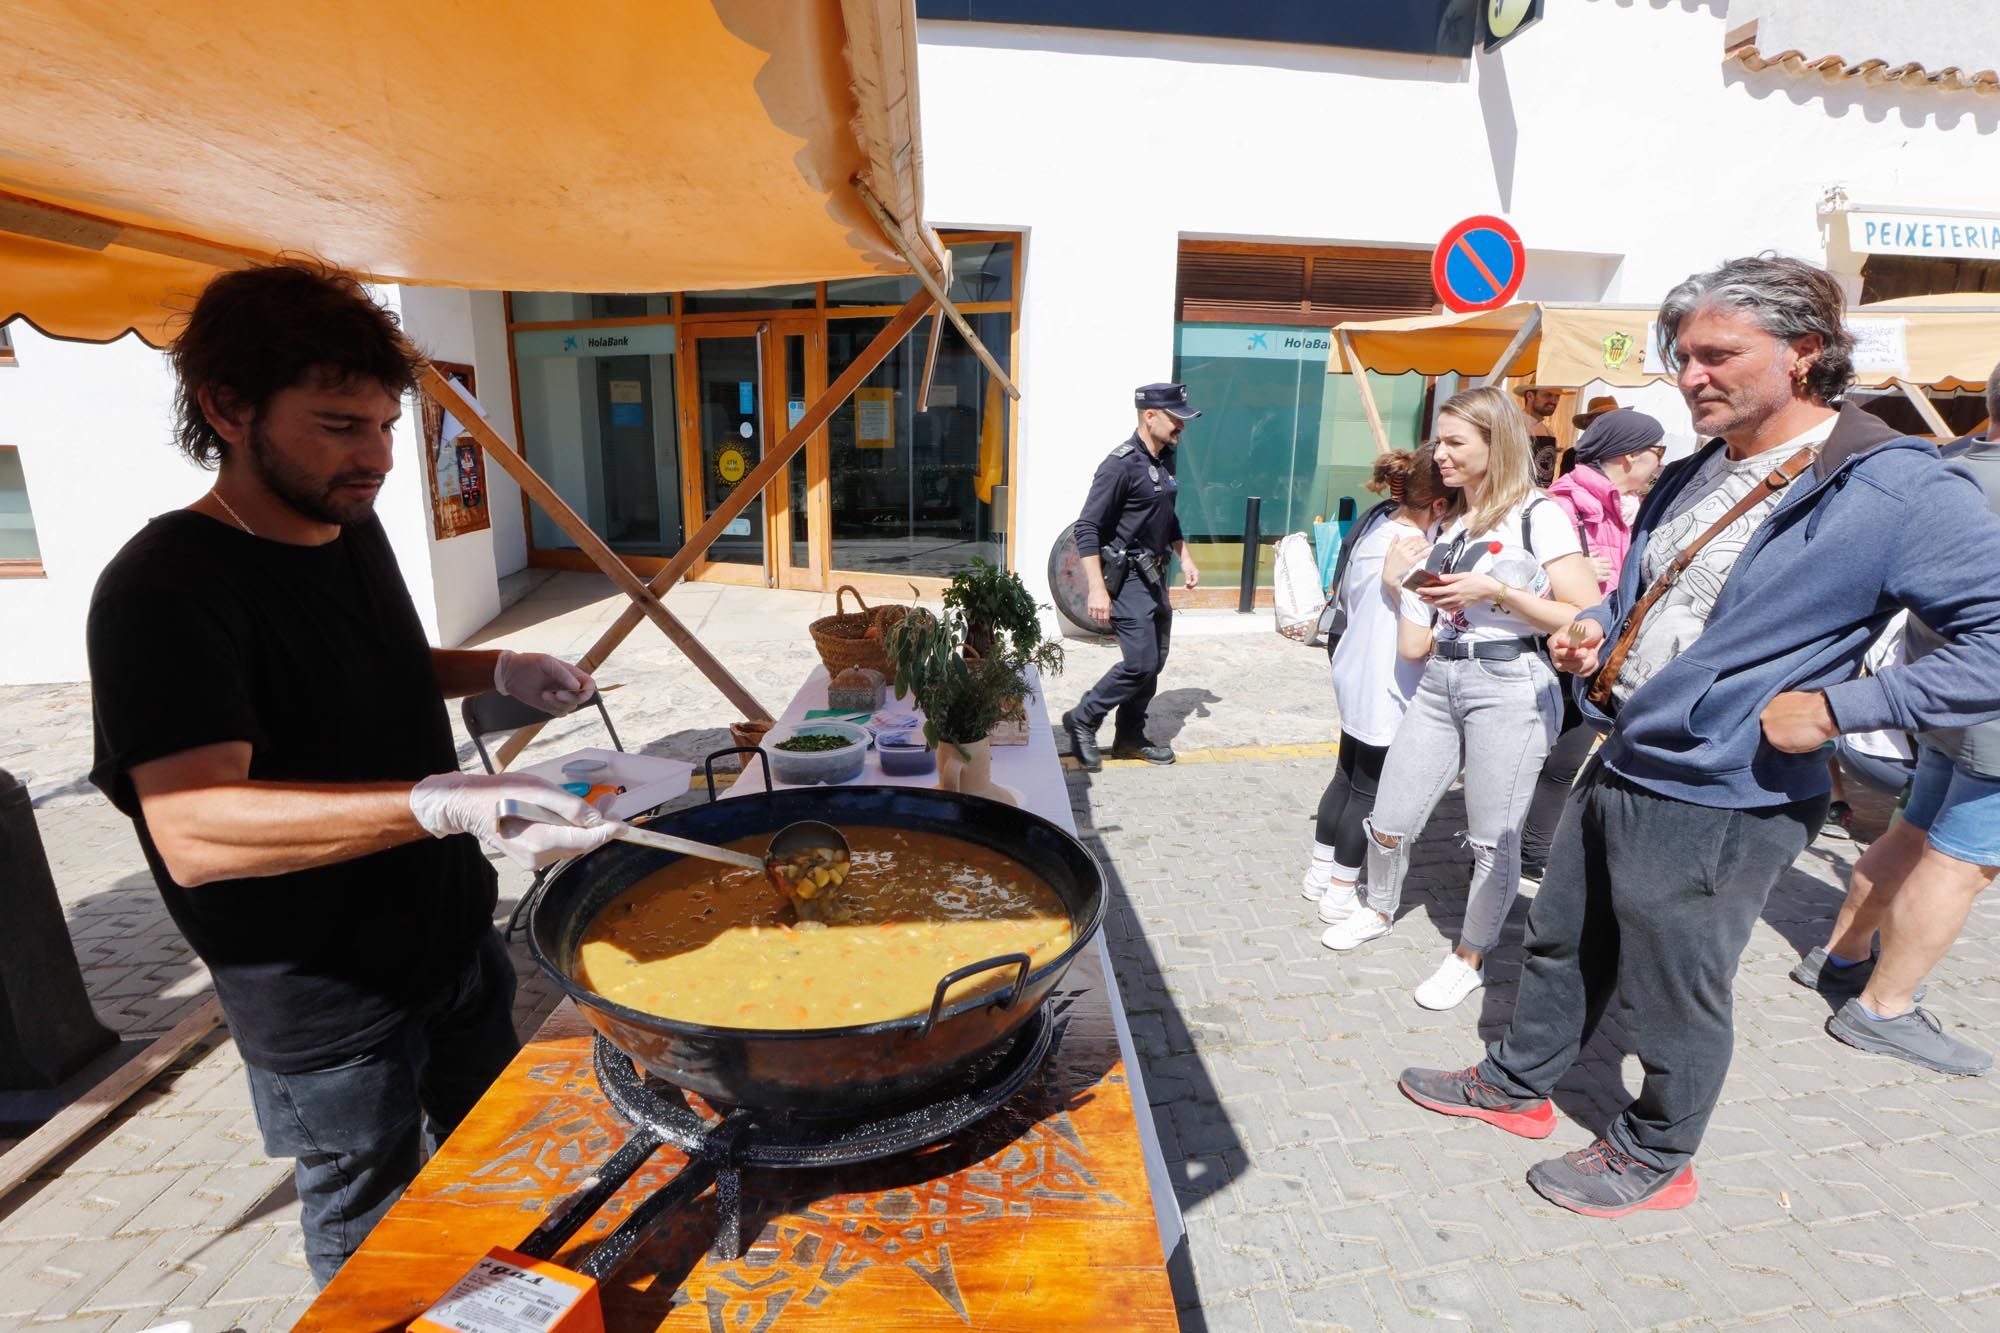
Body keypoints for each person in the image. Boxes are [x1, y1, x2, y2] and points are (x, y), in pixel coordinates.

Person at [1398, 256, 2000, 1219]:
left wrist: (1847, 707)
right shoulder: (1694, 469)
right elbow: (1669, 599)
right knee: (1561, 938)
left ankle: (1657, 1152)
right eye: (1683, 356)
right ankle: (1518, 1085)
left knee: (1674, 985)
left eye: (1719, 354)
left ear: (1806, 352)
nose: (1690, 377)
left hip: (1732, 787)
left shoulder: (1894, 487)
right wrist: (1606, 633)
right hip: (1631, 748)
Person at [86, 261, 626, 1283]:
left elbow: (365, 663)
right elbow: (194, 832)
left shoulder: (345, 518)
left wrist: (498, 667)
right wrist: (441, 801)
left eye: (384, 426)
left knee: (497, 1181)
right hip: (330, 1009)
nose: (376, 457)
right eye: (340, 424)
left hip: (454, 948)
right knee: (376, 1239)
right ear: (228, 406)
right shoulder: (163, 590)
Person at [1319, 386, 1597, 1013]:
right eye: (1437, 441)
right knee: (1389, 818)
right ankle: (1378, 907)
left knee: (1491, 839)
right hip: (1441, 679)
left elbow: (1582, 617)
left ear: (1494, 445)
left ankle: (1469, 956)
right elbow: (1427, 627)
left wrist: (1497, 592)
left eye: (1453, 442)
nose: (1437, 454)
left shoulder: (1539, 514)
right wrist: (1401, 584)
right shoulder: (1453, 520)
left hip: (1510, 687)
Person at [1799, 356, 2000, 1076]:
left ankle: (1842, 955)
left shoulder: (1954, 464)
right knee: (1964, 863)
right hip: (1990, 710)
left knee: (1914, 832)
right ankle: (1884, 1008)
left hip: (1939, 694)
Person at [1298, 445, 1453, 920]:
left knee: (1346, 776)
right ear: (1439, 506)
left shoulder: (1376, 527)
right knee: (1368, 792)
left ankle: (1320, 873)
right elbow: (1418, 629)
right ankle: (1341, 891)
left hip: (1356, 670)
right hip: (1389, 684)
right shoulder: (1416, 548)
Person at [1517, 411, 1670, 879]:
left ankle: (1533, 852)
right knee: (1544, 757)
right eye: (1658, 453)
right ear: (1630, 455)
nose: (1661, 465)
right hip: (1559, 645)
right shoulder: (1564, 504)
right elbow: (1517, 579)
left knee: (1565, 756)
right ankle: (1517, 852)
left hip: (1594, 643)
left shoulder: (1614, 504)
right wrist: (1575, 574)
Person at [1062, 382, 1202, 770]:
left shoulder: (1165, 458)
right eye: (1176, 419)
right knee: (1139, 663)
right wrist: (1096, 588)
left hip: (1154, 575)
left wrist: (1184, 555)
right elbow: (1087, 528)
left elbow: (1165, 514)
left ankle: (1129, 737)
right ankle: (1084, 719)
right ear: (1149, 416)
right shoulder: (1119, 465)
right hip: (1126, 579)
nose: (1181, 428)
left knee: (1154, 660)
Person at [1516, 383, 1562, 486]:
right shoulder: (1513, 425)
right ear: (1530, 396)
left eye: (1557, 396)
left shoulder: (1549, 433)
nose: (1554, 401)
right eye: (1548, 395)